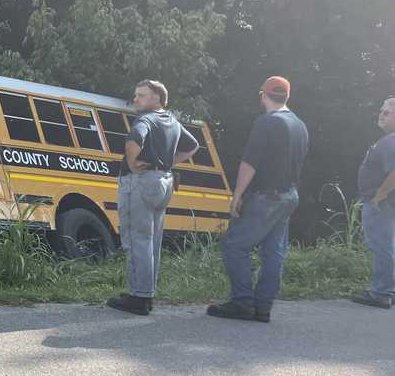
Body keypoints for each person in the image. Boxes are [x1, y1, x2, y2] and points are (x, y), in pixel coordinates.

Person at [207, 76, 308, 323]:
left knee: (235, 245)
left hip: (266, 196)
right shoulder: (300, 125)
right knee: (273, 253)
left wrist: (237, 196)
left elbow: (250, 163)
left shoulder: (266, 122)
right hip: (289, 195)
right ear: (287, 96)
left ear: (263, 94)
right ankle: (262, 308)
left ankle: (242, 302)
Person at [107, 80, 200, 315]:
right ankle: (146, 295)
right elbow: (193, 146)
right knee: (152, 242)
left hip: (141, 183)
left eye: (141, 95)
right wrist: (167, 163)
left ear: (156, 98)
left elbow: (134, 139)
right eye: (136, 94)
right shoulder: (171, 120)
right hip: (164, 182)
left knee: (137, 240)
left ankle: (138, 298)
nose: (135, 98)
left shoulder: (145, 120)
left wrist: (132, 163)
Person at [351, 97, 395, 309]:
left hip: (380, 203)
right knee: (387, 246)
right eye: (381, 111)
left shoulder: (391, 141)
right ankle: (388, 290)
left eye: (387, 112)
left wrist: (379, 196)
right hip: (385, 203)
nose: (381, 114)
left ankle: (381, 292)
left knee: (382, 246)